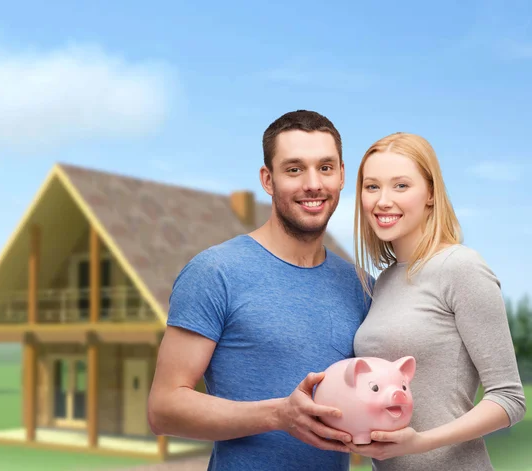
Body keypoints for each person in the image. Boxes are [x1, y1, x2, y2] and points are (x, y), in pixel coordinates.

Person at [147, 110, 372, 471]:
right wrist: (279, 415)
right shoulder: (215, 272)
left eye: (325, 168)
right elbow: (164, 409)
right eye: (294, 169)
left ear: (342, 175)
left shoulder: (361, 287)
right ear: (268, 180)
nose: (313, 183)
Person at [346, 132, 527, 470]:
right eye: (372, 187)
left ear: (430, 193)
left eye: (401, 186)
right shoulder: (383, 282)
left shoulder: (461, 267)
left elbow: (510, 399)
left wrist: (420, 442)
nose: (383, 200)